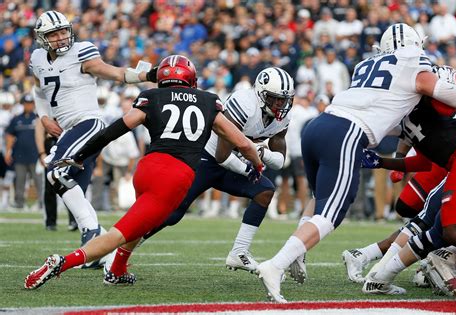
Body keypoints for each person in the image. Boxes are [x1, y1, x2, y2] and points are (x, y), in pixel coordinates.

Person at [255, 23, 456, 303]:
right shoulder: (414, 63)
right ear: (414, 43)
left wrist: (392, 158)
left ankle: (300, 252)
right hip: (347, 131)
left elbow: (395, 118)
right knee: (331, 214)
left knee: (320, 197)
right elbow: (455, 96)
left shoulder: (366, 66)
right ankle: (276, 265)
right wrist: (447, 93)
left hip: (319, 125)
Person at [24, 54, 263, 290]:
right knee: (120, 234)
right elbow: (242, 143)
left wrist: (80, 154)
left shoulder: (152, 96)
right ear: (191, 79)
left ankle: (117, 270)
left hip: (147, 168)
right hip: (174, 177)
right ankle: (61, 263)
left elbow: (115, 129)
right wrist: (257, 164)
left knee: (141, 222)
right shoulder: (209, 101)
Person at [138, 67, 295, 276]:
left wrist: (261, 154)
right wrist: (250, 167)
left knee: (264, 191)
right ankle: (122, 247)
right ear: (260, 93)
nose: (279, 104)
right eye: (274, 98)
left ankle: (239, 252)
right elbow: (222, 155)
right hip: (205, 157)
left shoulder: (281, 117)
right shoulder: (245, 103)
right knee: (172, 212)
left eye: (283, 100)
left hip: (235, 161)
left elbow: (279, 161)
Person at [30, 10, 156, 262]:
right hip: (70, 129)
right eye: (54, 34)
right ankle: (99, 251)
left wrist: (145, 75)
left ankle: (91, 232)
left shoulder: (81, 52)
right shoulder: (37, 58)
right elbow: (38, 91)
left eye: (64, 31)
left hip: (88, 124)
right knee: (72, 184)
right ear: (42, 38)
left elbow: (113, 72)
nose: (61, 37)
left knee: (56, 171)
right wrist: (44, 117)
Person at [359, 66, 456, 298]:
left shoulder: (424, 101)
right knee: (439, 228)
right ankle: (380, 278)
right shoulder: (405, 118)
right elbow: (424, 161)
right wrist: (383, 162)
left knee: (452, 230)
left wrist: (432, 87)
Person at [4, 94, 42, 210]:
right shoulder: (16, 119)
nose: (28, 106)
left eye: (30, 104)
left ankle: (41, 203)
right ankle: (19, 203)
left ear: (34, 105)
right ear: (23, 104)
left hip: (35, 156)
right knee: (19, 180)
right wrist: (8, 151)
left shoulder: (37, 119)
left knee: (38, 181)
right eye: (26, 104)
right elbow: (9, 136)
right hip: (19, 156)